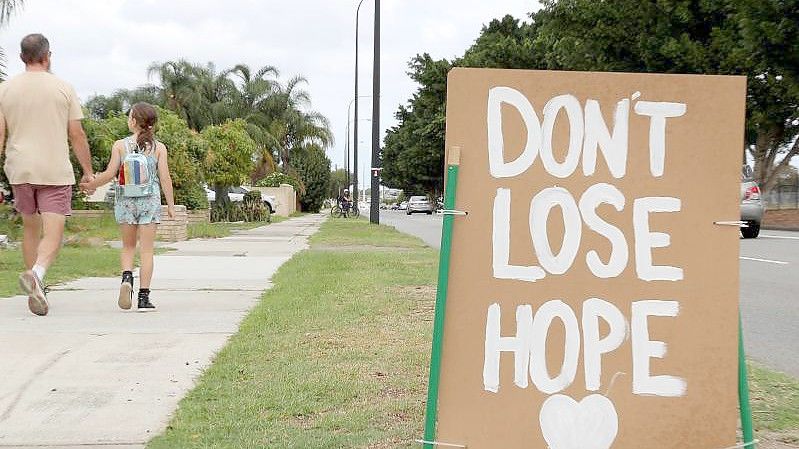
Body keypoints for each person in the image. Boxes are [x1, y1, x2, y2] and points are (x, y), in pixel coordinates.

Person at [0, 34, 95, 316]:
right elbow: (76, 134)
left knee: (32, 227)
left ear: (21, 58)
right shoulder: (63, 88)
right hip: (54, 170)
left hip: (20, 169)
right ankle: (37, 274)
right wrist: (88, 172)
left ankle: (35, 285)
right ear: (47, 55)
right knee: (53, 233)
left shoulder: (5, 89)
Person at [81, 102, 175, 311]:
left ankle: (126, 278)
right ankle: (143, 298)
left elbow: (109, 174)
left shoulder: (120, 145)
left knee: (128, 246)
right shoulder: (158, 148)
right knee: (147, 251)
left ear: (133, 122)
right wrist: (170, 204)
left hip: (125, 202)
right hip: (149, 202)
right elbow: (165, 177)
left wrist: (90, 185)